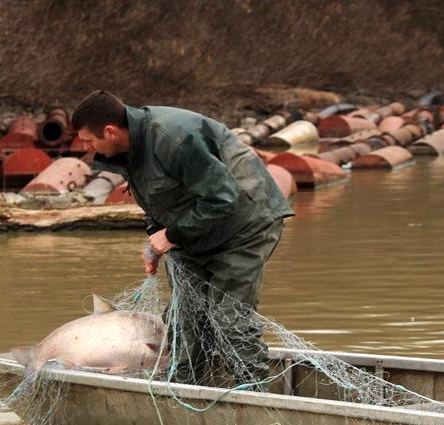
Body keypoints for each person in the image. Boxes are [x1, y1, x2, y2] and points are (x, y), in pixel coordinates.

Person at [71, 90, 294, 387]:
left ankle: (257, 396)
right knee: (183, 320)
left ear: (110, 132)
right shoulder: (127, 151)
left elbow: (223, 200)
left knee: (229, 319)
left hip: (245, 224)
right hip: (195, 227)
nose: (86, 147)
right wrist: (154, 242)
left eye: (89, 140)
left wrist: (172, 234)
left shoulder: (175, 138)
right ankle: (187, 390)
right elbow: (157, 200)